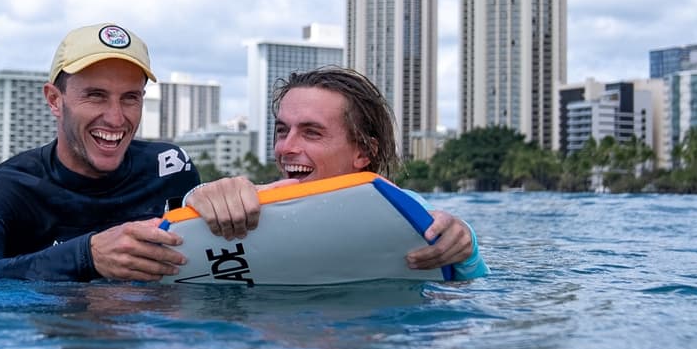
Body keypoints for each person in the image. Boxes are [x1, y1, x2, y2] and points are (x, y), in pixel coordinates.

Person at [0, 23, 200, 280]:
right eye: (96, 96)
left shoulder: (168, 168)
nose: (115, 118)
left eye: (130, 98)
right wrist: (86, 257)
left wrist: (230, 210)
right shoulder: (1, 191)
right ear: (55, 100)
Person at [183, 66, 487, 277]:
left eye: (311, 133)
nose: (286, 147)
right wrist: (198, 198)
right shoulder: (251, 204)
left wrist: (466, 247)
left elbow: (472, 294)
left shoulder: (409, 214)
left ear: (364, 152)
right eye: (281, 131)